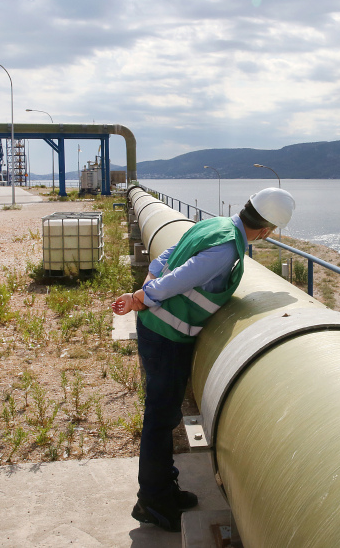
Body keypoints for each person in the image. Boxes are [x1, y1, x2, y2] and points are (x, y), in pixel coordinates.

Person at [112, 187, 296, 532]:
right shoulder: (227, 249)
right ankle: (153, 501)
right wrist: (143, 295)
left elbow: (167, 255)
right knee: (160, 420)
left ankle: (164, 488)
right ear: (267, 230)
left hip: (160, 330)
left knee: (163, 417)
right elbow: (186, 275)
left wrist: (149, 278)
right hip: (167, 337)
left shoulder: (213, 225)